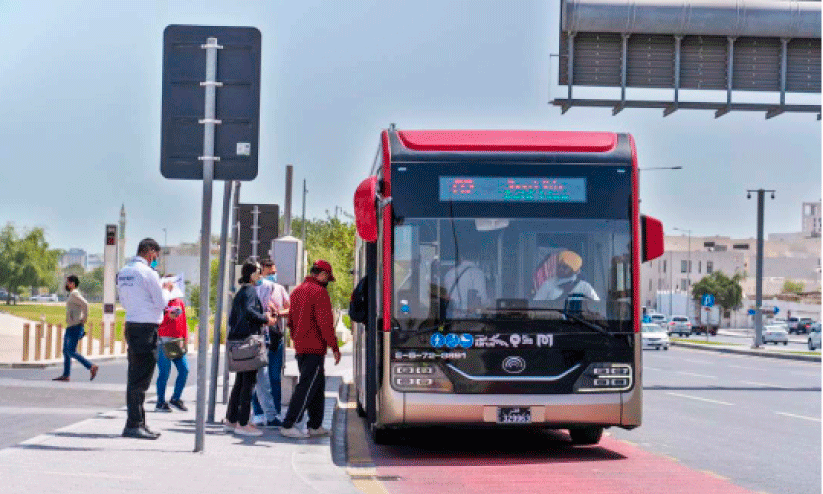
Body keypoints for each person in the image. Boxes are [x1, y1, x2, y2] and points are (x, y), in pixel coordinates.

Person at [280, 260, 341, 439]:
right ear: (322, 275)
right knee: (307, 386)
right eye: (327, 278)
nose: (327, 282)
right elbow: (325, 324)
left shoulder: (297, 291)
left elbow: (290, 319)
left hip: (301, 346)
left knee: (317, 385)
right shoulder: (320, 292)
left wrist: (296, 338)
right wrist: (335, 347)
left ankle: (315, 425)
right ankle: (289, 424)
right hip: (314, 347)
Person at [116, 238, 169, 440]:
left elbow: (126, 300)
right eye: (156, 256)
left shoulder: (124, 272)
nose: (155, 259)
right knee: (140, 380)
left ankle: (138, 422)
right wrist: (167, 292)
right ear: (149, 252)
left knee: (135, 376)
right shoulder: (148, 273)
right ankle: (134, 424)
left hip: (132, 324)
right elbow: (161, 301)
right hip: (146, 328)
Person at [224, 261, 277, 437]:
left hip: (239, 341)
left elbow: (233, 319)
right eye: (259, 272)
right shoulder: (250, 292)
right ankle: (243, 422)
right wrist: (265, 319)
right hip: (249, 342)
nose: (261, 275)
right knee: (248, 383)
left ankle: (231, 420)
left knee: (240, 382)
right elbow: (249, 312)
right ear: (253, 274)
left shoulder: (241, 292)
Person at [250, 259, 290, 428]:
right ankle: (259, 413)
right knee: (259, 379)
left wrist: (279, 313)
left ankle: (275, 413)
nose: (273, 276)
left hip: (275, 338)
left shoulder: (279, 289)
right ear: (261, 273)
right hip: (259, 339)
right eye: (269, 273)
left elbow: (290, 308)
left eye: (274, 272)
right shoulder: (253, 290)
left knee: (274, 378)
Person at [53, 275, 98, 382]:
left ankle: (91, 366)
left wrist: (84, 318)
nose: (66, 284)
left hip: (75, 326)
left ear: (72, 283)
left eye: (68, 282)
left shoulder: (74, 294)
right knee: (66, 351)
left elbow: (85, 304)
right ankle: (66, 375)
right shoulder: (72, 294)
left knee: (71, 351)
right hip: (71, 327)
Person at [155, 275, 189, 413]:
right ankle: (160, 402)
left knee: (184, 370)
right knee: (164, 372)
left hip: (177, 341)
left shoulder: (179, 302)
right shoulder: (160, 302)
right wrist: (167, 314)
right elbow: (161, 318)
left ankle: (175, 398)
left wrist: (185, 339)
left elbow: (183, 321)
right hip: (163, 340)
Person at [533, 250, 599, 302]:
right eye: (559, 266)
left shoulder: (585, 287)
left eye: (565, 267)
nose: (560, 269)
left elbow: (597, 307)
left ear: (574, 270)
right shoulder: (548, 284)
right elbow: (536, 306)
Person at [443, 245, 488, 314]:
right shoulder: (478, 273)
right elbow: (482, 300)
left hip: (452, 317)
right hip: (469, 318)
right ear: (476, 257)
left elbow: (446, 297)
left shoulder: (449, 273)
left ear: (461, 257)